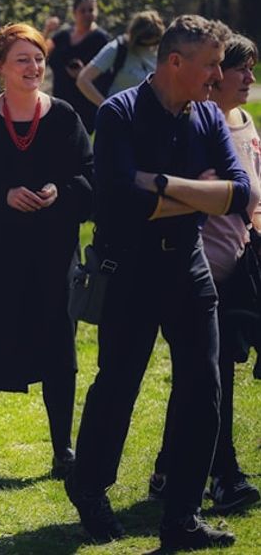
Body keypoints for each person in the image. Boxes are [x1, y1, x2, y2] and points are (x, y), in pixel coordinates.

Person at [67, 16, 246, 550]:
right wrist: (200, 193)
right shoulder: (119, 114)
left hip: (189, 266)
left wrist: (162, 184)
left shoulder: (208, 116)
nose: (218, 76)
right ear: (175, 62)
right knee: (118, 386)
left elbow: (240, 194)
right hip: (131, 269)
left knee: (204, 390)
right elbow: (120, 202)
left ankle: (182, 518)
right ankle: (89, 489)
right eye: (211, 65)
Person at [0, 23, 93, 476]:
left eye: (39, 58)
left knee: (59, 346)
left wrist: (60, 190)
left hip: (52, 257)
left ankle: (63, 449)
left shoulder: (64, 118)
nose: (34, 67)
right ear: (0, 68)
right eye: (22, 59)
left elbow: (90, 178)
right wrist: (1, 196)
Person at [147, 32, 261, 516]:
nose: (249, 77)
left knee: (204, 378)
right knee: (211, 380)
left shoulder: (245, 124)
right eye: (240, 69)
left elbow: (250, 196)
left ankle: (167, 469)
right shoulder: (201, 126)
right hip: (201, 270)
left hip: (240, 268)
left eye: (251, 68)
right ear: (215, 76)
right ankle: (223, 475)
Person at [47, 0, 110, 133]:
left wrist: (85, 73)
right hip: (61, 103)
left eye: (91, 10)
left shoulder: (102, 39)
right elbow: (41, 53)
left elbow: (109, 74)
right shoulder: (62, 36)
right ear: (74, 13)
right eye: (83, 10)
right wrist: (47, 30)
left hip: (87, 108)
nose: (87, 14)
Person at [76, 10, 165, 106]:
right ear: (135, 38)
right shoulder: (117, 48)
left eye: (155, 43)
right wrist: (107, 106)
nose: (150, 47)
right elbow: (83, 80)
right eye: (144, 44)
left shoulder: (162, 52)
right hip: (121, 111)